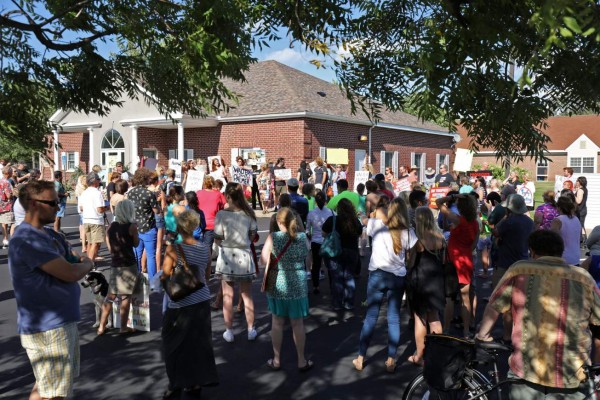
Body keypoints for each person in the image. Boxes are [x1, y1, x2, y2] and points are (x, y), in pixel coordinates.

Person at [476, 230, 600, 399]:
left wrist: (483, 335)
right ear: (560, 252)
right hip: (571, 372)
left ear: (532, 251)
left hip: (527, 370)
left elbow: (494, 305)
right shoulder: (583, 278)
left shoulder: (519, 270)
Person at [9, 180, 94, 399]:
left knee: (46, 386)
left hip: (59, 323)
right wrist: (88, 264)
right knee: (55, 393)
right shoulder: (28, 239)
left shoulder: (51, 235)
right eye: (53, 202)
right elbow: (72, 271)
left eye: (60, 201)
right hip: (48, 327)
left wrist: (81, 262)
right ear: (33, 204)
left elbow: (75, 258)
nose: (59, 207)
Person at [353, 197, 417, 373]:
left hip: (377, 274)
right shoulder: (408, 232)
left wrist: (367, 211)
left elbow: (364, 220)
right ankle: (391, 359)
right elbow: (413, 253)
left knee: (371, 317)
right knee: (394, 318)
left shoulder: (377, 225)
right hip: (397, 276)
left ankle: (360, 357)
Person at [161, 210, 219, 399]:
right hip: (201, 300)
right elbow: (207, 275)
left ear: (179, 227)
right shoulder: (204, 248)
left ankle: (175, 382)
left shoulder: (174, 249)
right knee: (198, 345)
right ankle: (194, 383)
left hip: (180, 304)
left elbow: (165, 274)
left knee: (173, 345)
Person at [261, 207, 313, 372]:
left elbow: (263, 260)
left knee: (277, 322)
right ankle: (301, 360)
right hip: (298, 283)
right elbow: (309, 262)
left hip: (278, 283)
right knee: (297, 323)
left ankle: (276, 360)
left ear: (278, 222)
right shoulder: (303, 237)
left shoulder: (273, 238)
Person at [214, 182, 258, 343]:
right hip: (244, 255)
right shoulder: (249, 214)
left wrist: (224, 244)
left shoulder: (221, 215)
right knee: (247, 295)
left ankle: (229, 330)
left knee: (227, 296)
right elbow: (253, 235)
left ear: (227, 196)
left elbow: (218, 237)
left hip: (227, 256)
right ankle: (251, 329)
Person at [436, 193, 479, 337]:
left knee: (449, 298)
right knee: (465, 297)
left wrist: (452, 197)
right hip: (466, 261)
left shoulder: (457, 219)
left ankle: (447, 328)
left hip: (453, 261)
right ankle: (466, 331)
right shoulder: (474, 223)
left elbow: (438, 202)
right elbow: (473, 245)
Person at [406, 207, 444, 365]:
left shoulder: (417, 239)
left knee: (420, 319)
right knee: (434, 318)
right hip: (436, 280)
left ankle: (420, 356)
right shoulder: (440, 237)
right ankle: (436, 353)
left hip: (420, 280)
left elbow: (410, 262)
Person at [98, 199, 140, 335]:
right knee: (126, 297)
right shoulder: (131, 226)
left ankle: (101, 326)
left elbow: (108, 241)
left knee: (110, 296)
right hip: (128, 263)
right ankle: (123, 326)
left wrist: (112, 251)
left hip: (115, 263)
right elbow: (136, 244)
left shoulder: (111, 226)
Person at [322, 198, 362, 310]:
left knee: (337, 278)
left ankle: (337, 304)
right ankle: (349, 303)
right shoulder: (355, 221)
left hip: (336, 252)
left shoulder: (332, 220)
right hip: (352, 251)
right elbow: (360, 233)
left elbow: (323, 233)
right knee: (349, 277)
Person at [127, 168, 160, 280]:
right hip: (148, 227)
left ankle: (136, 277)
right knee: (151, 256)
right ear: (146, 179)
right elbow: (156, 210)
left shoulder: (131, 192)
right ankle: (152, 281)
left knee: (137, 254)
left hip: (135, 227)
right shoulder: (149, 194)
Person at [306, 191, 332, 294]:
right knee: (330, 265)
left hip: (316, 241)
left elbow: (307, 230)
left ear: (315, 201)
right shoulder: (331, 212)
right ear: (325, 200)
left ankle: (316, 286)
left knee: (316, 265)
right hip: (327, 241)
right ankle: (332, 285)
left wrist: (311, 237)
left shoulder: (311, 213)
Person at [78, 172, 107, 262]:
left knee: (90, 242)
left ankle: (89, 262)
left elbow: (81, 208)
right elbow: (100, 209)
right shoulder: (97, 193)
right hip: (96, 220)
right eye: (98, 180)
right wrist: (107, 207)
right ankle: (90, 264)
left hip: (86, 220)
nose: (99, 182)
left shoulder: (84, 193)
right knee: (95, 243)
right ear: (95, 181)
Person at [551, 195, 582, 266]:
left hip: (562, 258)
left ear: (559, 207)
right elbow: (580, 237)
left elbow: (553, 240)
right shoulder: (576, 219)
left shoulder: (557, 220)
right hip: (576, 257)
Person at [0, 166, 14, 247]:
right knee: (13, 223)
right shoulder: (6, 182)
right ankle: (12, 240)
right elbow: (8, 195)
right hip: (7, 205)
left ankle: (5, 239)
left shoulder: (1, 181)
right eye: (11, 171)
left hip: (1, 205)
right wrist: (14, 193)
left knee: (3, 223)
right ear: (8, 173)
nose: (12, 173)